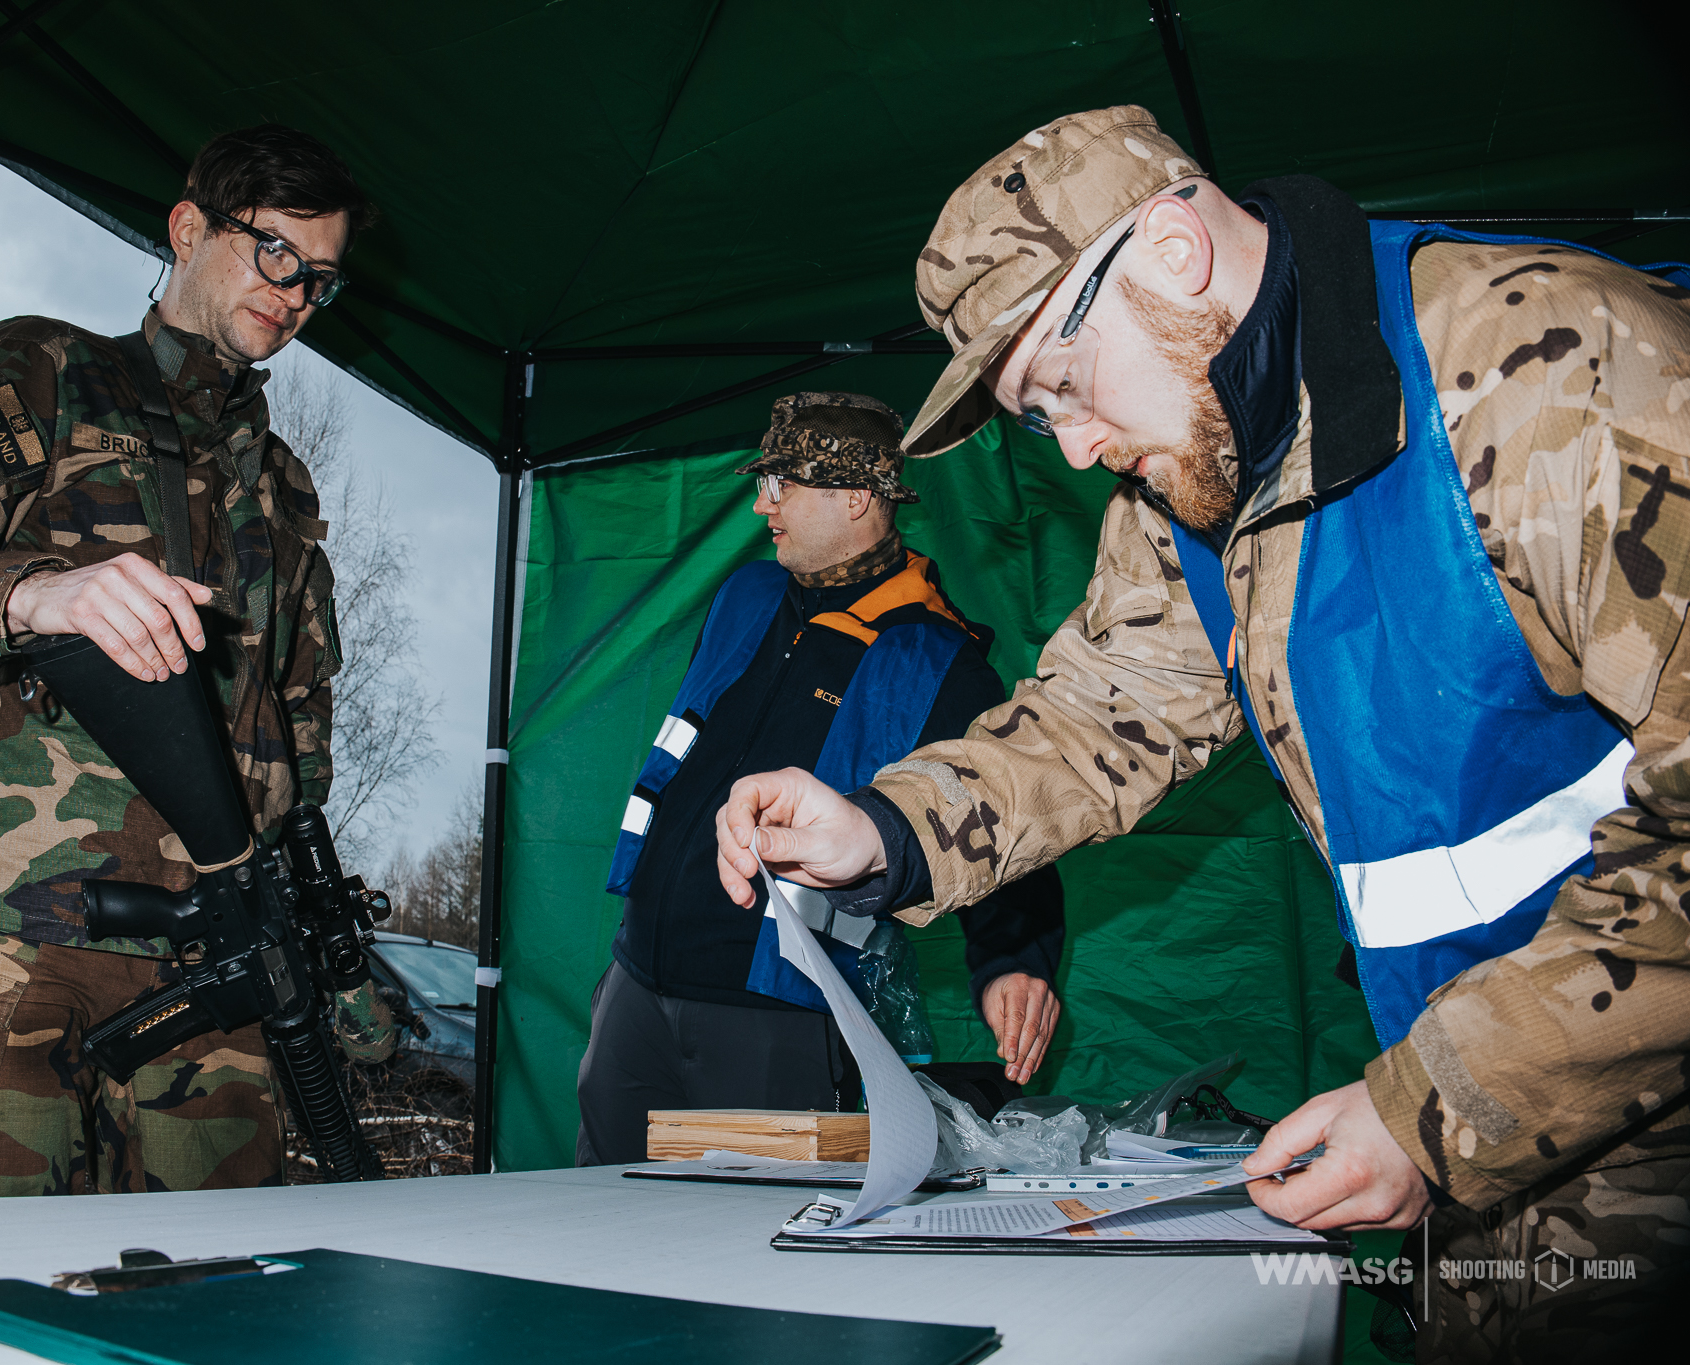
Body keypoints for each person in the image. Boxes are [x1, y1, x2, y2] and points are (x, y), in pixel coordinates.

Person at [714, 105, 1688, 1354]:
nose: (1070, 449)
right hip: (1487, 1146)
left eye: (1060, 385)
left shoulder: (1556, 377)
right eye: (1032, 415)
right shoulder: (1195, 470)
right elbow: (1100, 711)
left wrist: (1436, 1101)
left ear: (1171, 252)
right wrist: (886, 827)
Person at [0, 123, 389, 1198]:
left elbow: (297, 710)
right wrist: (33, 592)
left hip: (214, 960)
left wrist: (300, 910)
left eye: (319, 277)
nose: (295, 292)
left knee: (223, 1295)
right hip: (7, 931)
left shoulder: (284, 485)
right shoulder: (47, 371)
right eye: (273, 251)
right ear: (187, 229)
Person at [576, 391, 1066, 1166]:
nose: (760, 505)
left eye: (781, 485)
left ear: (856, 497)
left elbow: (999, 812)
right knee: (595, 1227)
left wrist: (1013, 960)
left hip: (779, 1016)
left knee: (754, 1257)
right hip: (636, 985)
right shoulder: (746, 594)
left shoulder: (939, 660)